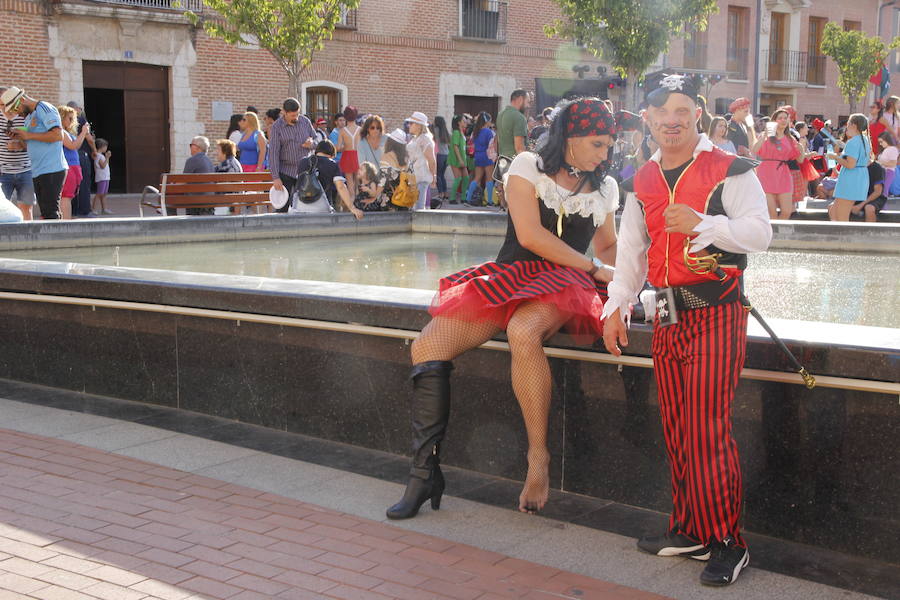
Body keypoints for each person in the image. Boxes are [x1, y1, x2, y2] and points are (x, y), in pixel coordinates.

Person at [386, 97, 619, 522]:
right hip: (514, 274)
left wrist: (624, 283)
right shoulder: (527, 166)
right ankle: (424, 474)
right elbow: (529, 236)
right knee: (426, 347)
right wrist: (595, 266)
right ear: (571, 137)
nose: (605, 154)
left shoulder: (604, 185)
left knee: (524, 332)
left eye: (608, 145)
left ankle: (537, 458)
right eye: (598, 144)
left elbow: (607, 245)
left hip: (564, 284)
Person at [602, 74, 771, 587]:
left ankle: (727, 542)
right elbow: (631, 251)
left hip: (717, 313)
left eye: (681, 109)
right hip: (667, 315)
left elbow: (761, 235)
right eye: (661, 112)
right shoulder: (643, 178)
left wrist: (703, 221)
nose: (671, 120)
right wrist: (616, 305)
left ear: (698, 112)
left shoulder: (729, 168)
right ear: (647, 118)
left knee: (706, 429)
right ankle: (690, 529)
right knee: (678, 427)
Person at [1, 86, 68, 219]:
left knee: (51, 212)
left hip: (51, 168)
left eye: (15, 109)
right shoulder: (29, 116)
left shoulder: (45, 108)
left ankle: (56, 240)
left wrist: (28, 135)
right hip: (38, 170)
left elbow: (58, 135)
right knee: (46, 213)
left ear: (21, 100)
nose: (17, 114)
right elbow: (32, 143)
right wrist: (20, 138)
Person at [752, 108, 802, 219]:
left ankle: (775, 234)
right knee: (772, 214)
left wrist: (802, 149)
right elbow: (755, 150)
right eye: (780, 118)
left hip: (783, 174)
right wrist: (763, 136)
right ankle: (772, 235)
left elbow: (800, 160)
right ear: (774, 121)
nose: (783, 120)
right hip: (766, 173)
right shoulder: (765, 136)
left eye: (785, 118)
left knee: (787, 211)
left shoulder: (790, 138)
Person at [269, 97, 316, 213]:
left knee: (305, 205)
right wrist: (275, 177)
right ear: (284, 112)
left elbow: (318, 140)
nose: (296, 118)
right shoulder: (276, 127)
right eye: (292, 115)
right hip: (285, 171)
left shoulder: (305, 121)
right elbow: (273, 153)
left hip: (305, 172)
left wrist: (312, 144)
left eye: (297, 114)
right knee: (283, 207)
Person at [295, 140, 363, 218]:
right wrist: (352, 208)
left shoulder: (303, 162)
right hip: (321, 207)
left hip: (299, 206)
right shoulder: (332, 164)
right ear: (332, 154)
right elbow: (340, 186)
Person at [0, 88, 37, 220]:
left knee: (27, 207)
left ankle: (30, 238)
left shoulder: (24, 117)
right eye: (1, 105)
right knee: (2, 209)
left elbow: (35, 144)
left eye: (7, 104)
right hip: (3, 172)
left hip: (26, 170)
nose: (5, 108)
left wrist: (20, 145)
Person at [827, 114, 871, 222]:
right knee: (833, 210)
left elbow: (850, 165)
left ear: (854, 125)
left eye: (848, 123)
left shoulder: (853, 142)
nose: (847, 126)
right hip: (859, 177)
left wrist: (835, 157)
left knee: (842, 217)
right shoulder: (864, 139)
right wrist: (843, 147)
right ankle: (836, 235)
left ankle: (843, 238)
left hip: (851, 179)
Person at [58, 105, 90, 219]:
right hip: (68, 167)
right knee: (66, 197)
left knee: (69, 196)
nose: (72, 121)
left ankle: (67, 219)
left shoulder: (67, 132)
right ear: (61, 118)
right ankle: (66, 222)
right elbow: (73, 146)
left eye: (73, 118)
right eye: (69, 118)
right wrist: (83, 133)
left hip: (74, 166)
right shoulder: (61, 131)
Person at [406, 111, 436, 210]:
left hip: (421, 178)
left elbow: (431, 160)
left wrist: (433, 177)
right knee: (413, 209)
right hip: (413, 178)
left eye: (411, 123)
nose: (408, 125)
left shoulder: (425, 139)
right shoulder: (416, 138)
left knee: (419, 209)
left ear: (419, 125)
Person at [179, 135, 215, 216]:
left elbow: (183, 182)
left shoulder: (191, 160)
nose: (190, 147)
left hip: (194, 201)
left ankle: (171, 224)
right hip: (209, 200)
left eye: (191, 145)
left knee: (169, 197)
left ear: (198, 148)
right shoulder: (210, 161)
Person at [465, 111, 495, 206]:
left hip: (478, 156)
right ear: (486, 121)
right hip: (487, 155)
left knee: (477, 178)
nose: (491, 123)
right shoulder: (488, 132)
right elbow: (491, 145)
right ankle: (489, 201)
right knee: (489, 179)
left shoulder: (476, 132)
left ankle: (468, 199)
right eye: (490, 121)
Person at [337, 106, 361, 197]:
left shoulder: (342, 131)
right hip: (358, 155)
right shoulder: (360, 129)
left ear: (345, 116)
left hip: (347, 155)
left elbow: (338, 148)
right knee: (358, 181)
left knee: (350, 182)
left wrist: (345, 147)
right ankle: (359, 201)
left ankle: (352, 201)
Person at [447, 114, 470, 204]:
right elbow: (455, 147)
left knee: (466, 178)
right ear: (459, 123)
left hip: (462, 158)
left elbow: (461, 146)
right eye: (464, 121)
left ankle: (463, 197)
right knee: (458, 178)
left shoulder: (461, 132)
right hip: (456, 158)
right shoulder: (456, 132)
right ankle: (452, 198)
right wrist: (460, 160)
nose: (466, 123)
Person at [432, 116, 451, 202]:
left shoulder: (435, 130)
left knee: (438, 175)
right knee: (442, 175)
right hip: (446, 155)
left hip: (439, 155)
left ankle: (440, 193)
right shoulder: (446, 131)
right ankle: (446, 192)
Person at [93, 138, 111, 215]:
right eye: (105, 146)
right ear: (102, 147)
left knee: (104, 194)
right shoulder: (99, 156)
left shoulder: (101, 156)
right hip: (101, 178)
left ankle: (104, 209)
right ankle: (93, 209)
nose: (106, 148)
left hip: (105, 177)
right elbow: (103, 166)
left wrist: (106, 158)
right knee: (99, 193)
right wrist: (107, 157)